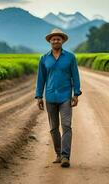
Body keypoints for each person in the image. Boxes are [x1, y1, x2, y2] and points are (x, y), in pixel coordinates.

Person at [34, 28, 82, 168]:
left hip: (65, 96)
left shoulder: (70, 57)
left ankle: (65, 156)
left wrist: (76, 94)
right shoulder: (44, 59)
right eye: (53, 39)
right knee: (53, 128)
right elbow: (40, 79)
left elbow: (75, 76)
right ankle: (59, 154)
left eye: (58, 39)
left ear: (62, 41)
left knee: (66, 125)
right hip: (49, 97)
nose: (56, 41)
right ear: (50, 41)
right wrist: (39, 96)